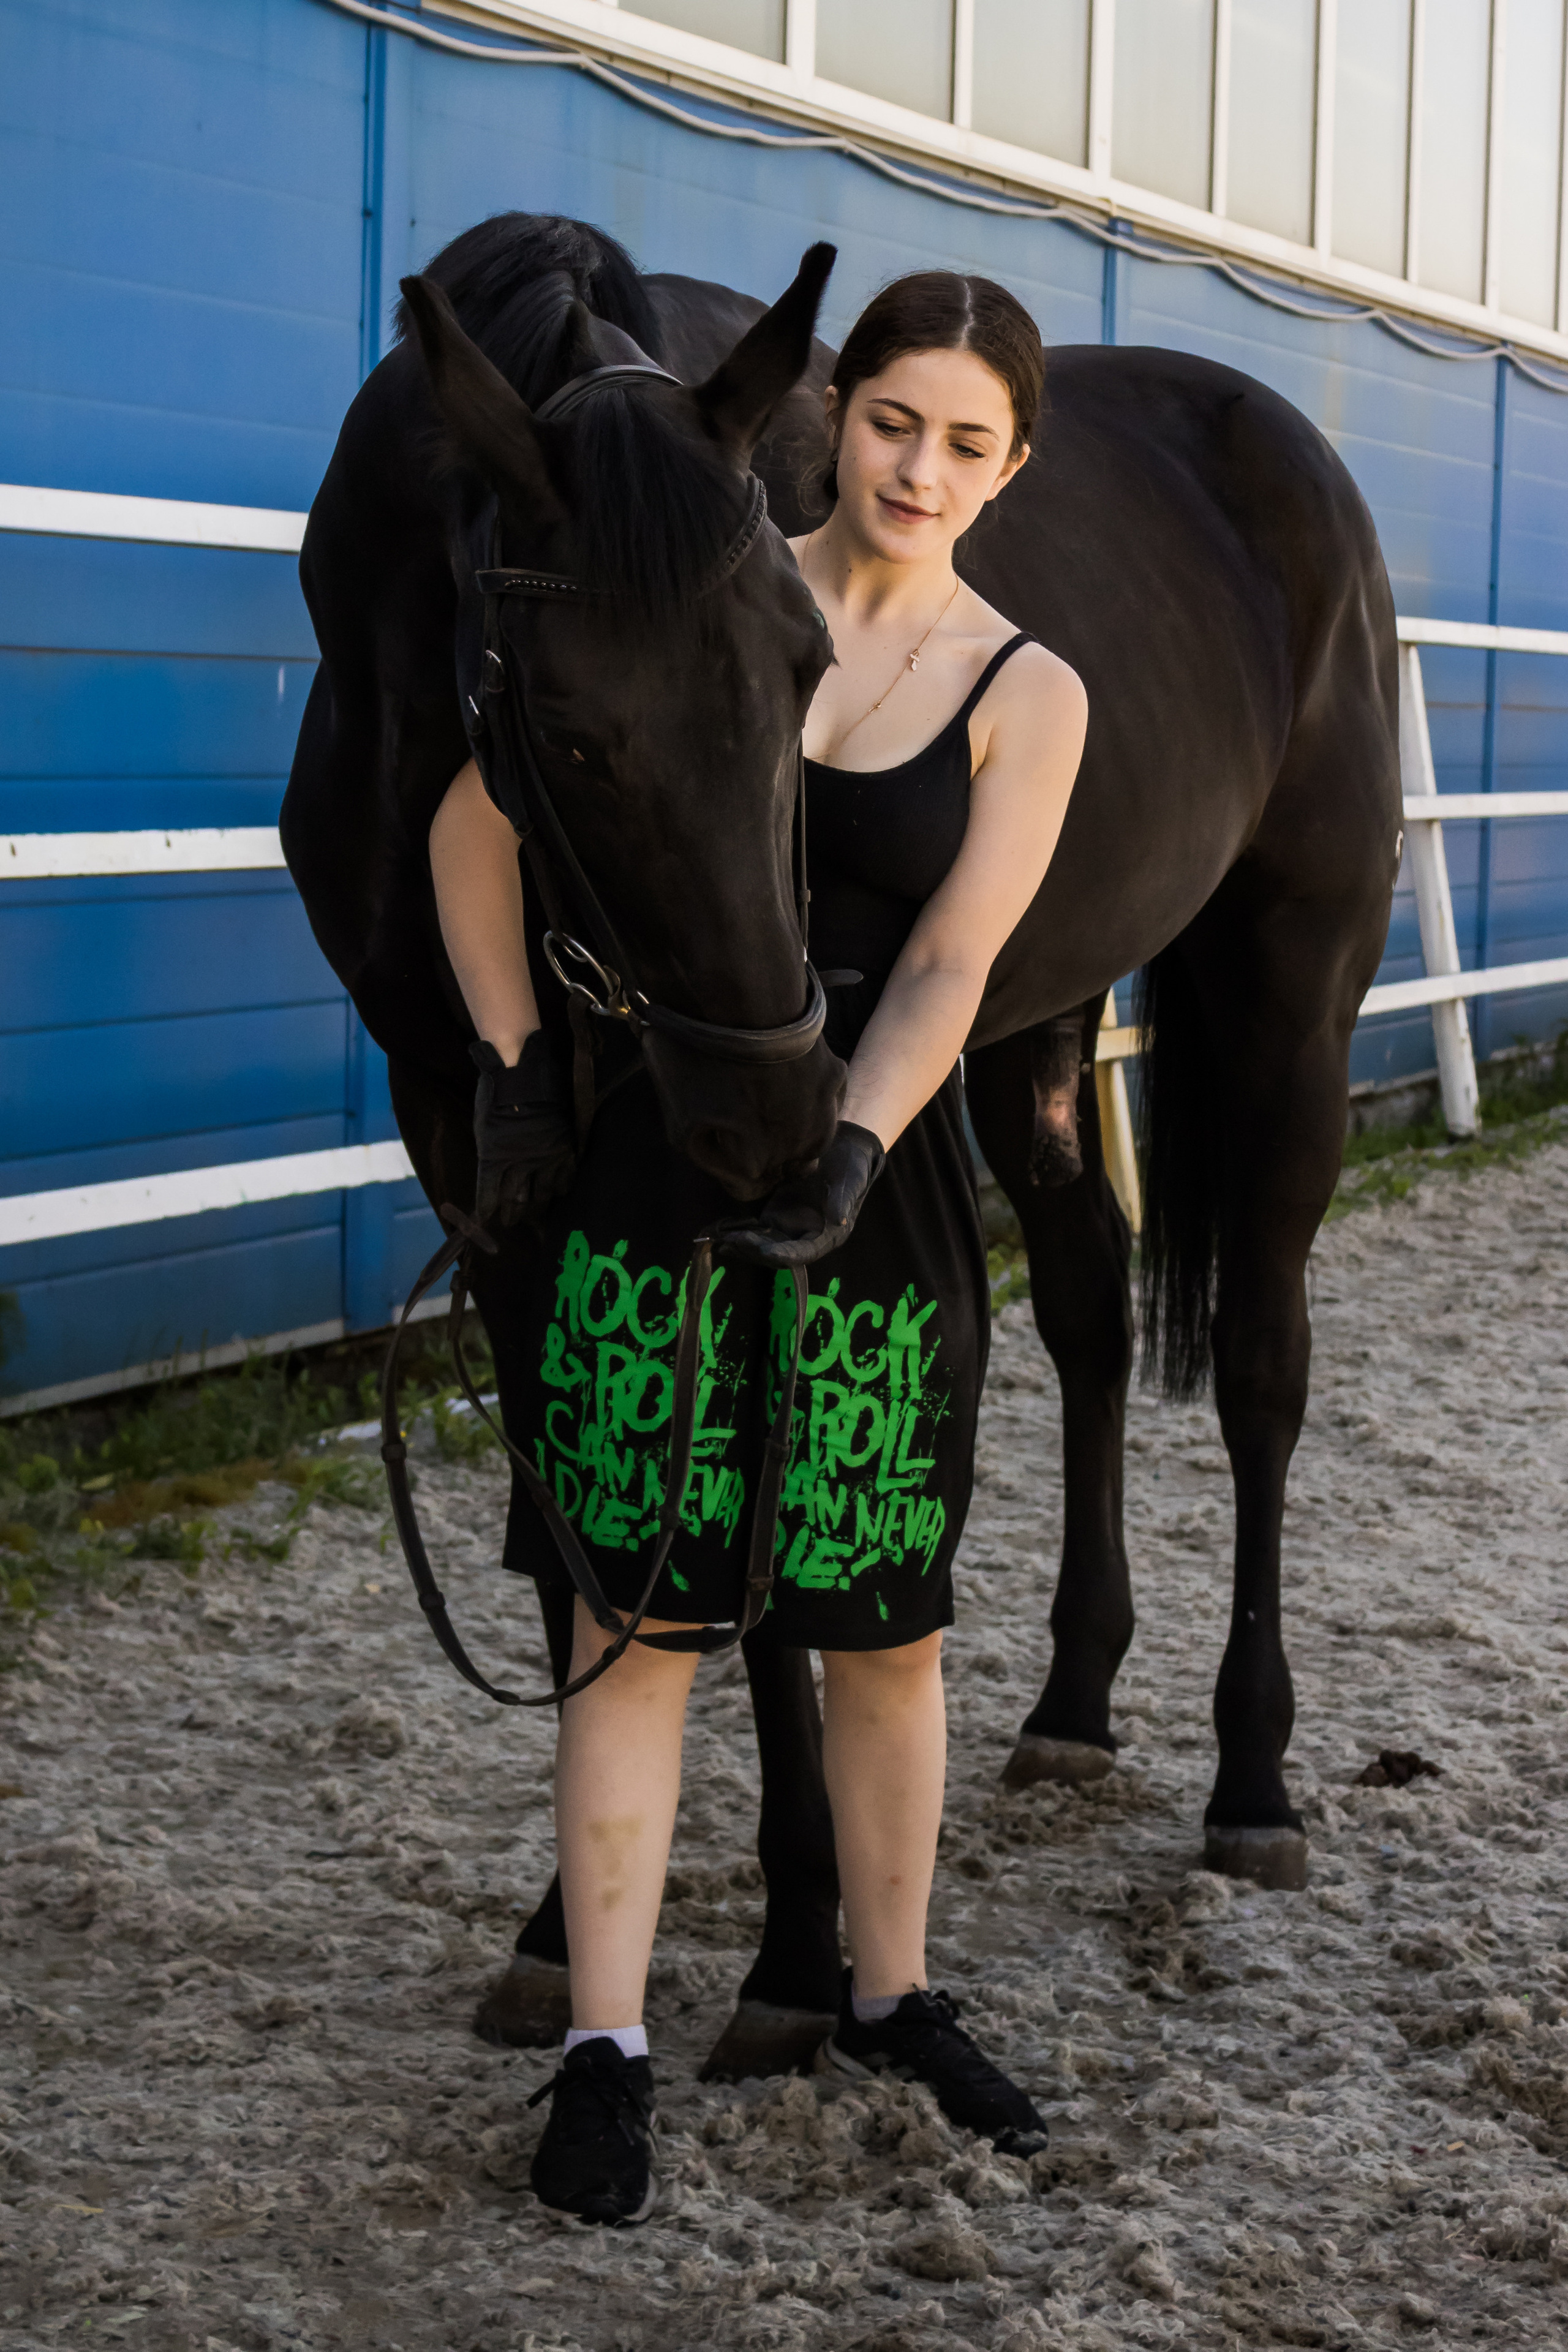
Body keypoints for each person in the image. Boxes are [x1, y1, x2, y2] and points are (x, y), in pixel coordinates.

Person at [428, 270, 1088, 2225]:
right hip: (645, 1180)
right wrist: (519, 1072)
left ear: (1011, 464)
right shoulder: (702, 575)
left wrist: (861, 1144)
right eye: (895, 420)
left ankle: (890, 1991)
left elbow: (958, 956)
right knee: (628, 1636)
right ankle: (607, 2047)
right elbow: (476, 831)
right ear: (834, 411)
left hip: (863, 1206)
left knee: (886, 1642)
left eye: (969, 442)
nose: (921, 468)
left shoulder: (1023, 687)